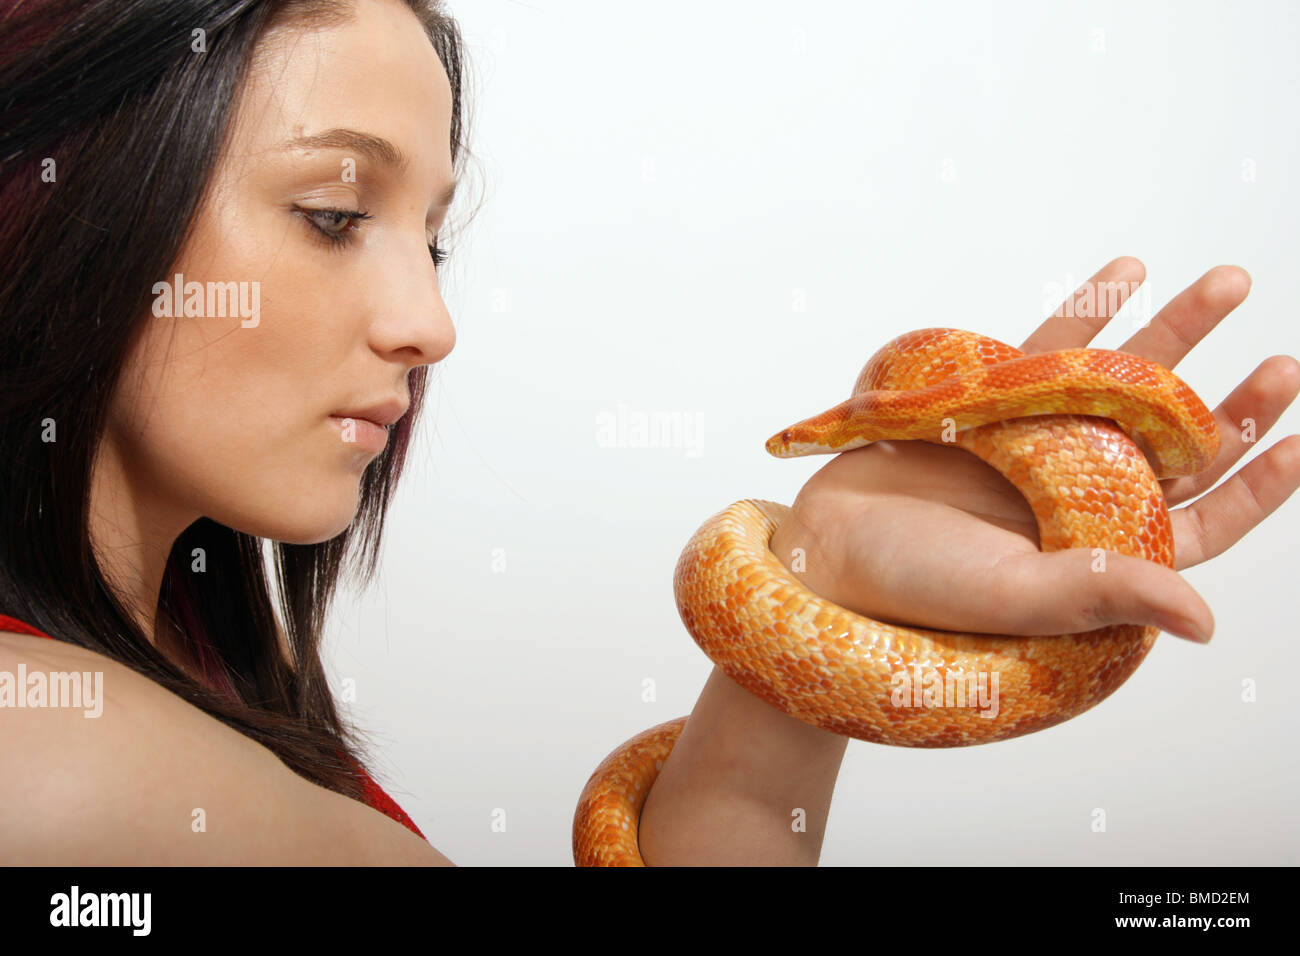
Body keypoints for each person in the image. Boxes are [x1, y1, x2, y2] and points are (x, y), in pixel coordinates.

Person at [2, 0, 1297, 866]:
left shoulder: (186, 660)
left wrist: (802, 622)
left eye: (434, 241)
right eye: (337, 213)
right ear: (63, 195)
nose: (430, 323)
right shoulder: (56, 761)